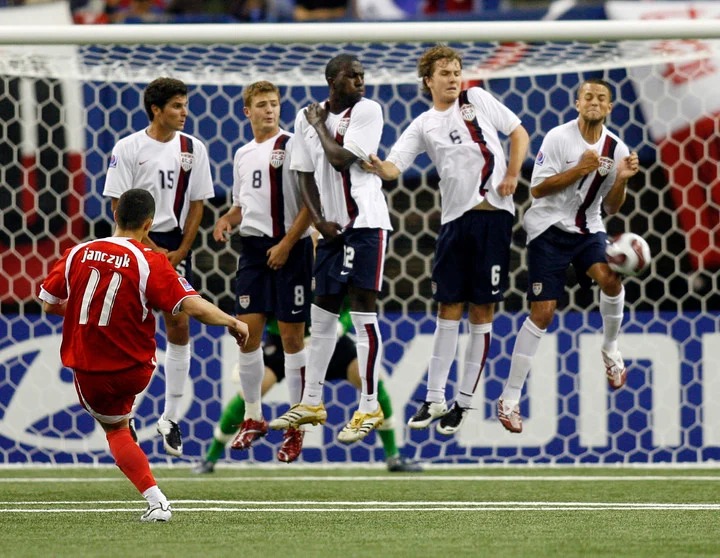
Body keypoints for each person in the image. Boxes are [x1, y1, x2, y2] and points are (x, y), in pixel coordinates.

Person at [38, 189, 248, 522]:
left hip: (89, 371)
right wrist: (231, 321)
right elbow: (191, 304)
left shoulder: (78, 252)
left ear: (115, 214)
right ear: (148, 225)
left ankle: (156, 499)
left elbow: (48, 302)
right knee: (124, 407)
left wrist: (82, 310)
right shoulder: (149, 261)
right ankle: (146, 415)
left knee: (116, 431)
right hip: (136, 369)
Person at [368, 45, 529, 436]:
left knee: (481, 313)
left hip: (492, 217)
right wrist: (373, 165)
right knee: (447, 308)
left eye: (457, 71)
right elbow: (394, 167)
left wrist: (512, 173)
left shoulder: (477, 99)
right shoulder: (424, 123)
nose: (454, 78)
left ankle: (464, 403)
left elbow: (519, 132)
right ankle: (434, 397)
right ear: (429, 80)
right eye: (445, 72)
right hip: (455, 222)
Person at [496, 78, 640, 433]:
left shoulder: (617, 149)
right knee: (543, 313)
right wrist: (579, 169)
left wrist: (620, 179)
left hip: (589, 228)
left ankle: (610, 349)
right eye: (587, 96)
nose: (594, 102)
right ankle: (509, 398)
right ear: (577, 103)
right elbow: (538, 189)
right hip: (547, 229)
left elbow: (611, 207)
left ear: (609, 108)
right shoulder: (559, 138)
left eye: (601, 98)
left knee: (611, 278)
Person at [270, 54, 393, 444]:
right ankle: (311, 401)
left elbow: (340, 160)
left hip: (365, 224)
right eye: (352, 75)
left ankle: (370, 403)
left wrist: (319, 125)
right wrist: (319, 221)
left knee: (361, 313)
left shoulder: (367, 111)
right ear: (332, 80)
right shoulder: (306, 119)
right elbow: (304, 174)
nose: (360, 80)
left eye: (362, 74)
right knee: (320, 317)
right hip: (331, 231)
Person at [103, 77, 215, 457]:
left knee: (179, 325)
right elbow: (118, 205)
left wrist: (180, 250)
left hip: (173, 246)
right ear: (156, 109)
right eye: (177, 106)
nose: (184, 113)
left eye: (185, 105)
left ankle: (169, 417)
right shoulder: (129, 147)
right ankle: (128, 413)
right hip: (133, 244)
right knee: (133, 330)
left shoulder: (193, 149)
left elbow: (198, 203)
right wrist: (151, 247)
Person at [211, 80, 313, 461]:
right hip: (253, 250)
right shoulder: (241, 154)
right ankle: (253, 417)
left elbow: (310, 203)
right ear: (247, 111)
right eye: (262, 104)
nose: (270, 110)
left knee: (290, 339)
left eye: (274, 104)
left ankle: (297, 428)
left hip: (291, 247)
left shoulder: (292, 145)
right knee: (246, 334)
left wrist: (287, 244)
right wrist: (227, 219)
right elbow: (242, 204)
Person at [192, 309, 423, 472]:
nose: (314, 239)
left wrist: (340, 326)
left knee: (372, 382)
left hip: (331, 343)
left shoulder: (330, 262)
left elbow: (350, 304)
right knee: (249, 394)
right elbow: (264, 310)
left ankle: (393, 456)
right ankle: (210, 458)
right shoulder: (284, 265)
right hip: (286, 343)